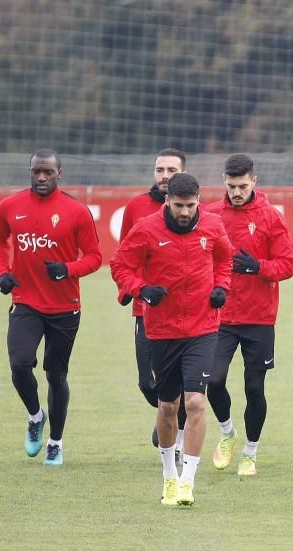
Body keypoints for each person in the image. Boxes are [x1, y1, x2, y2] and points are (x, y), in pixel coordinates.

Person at [111, 173, 233, 506]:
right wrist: (141, 289)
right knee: (167, 406)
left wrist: (221, 287)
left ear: (199, 201)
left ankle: (187, 483)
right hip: (162, 330)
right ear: (168, 201)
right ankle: (169, 476)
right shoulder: (147, 229)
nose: (184, 212)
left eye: (190, 205)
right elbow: (120, 265)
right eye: (178, 205)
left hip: (203, 328)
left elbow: (224, 258)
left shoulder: (212, 226)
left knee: (195, 402)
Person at [0, 149, 102, 465]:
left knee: (56, 374)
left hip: (65, 307)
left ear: (59, 173)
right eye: (36, 171)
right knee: (19, 365)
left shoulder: (76, 211)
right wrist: (2, 273)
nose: (41, 177)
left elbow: (94, 257)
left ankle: (55, 442)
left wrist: (67, 269)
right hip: (25, 302)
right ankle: (35, 416)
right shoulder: (10, 206)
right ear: (30, 171)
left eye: (48, 172)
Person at [204, 154, 293, 477]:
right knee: (212, 381)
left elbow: (288, 264)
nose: (236, 192)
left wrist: (257, 267)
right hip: (221, 317)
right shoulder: (211, 215)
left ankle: (250, 452)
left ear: (254, 181)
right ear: (224, 182)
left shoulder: (270, 217)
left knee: (254, 388)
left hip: (259, 319)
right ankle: (228, 433)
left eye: (242, 186)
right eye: (231, 186)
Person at [118, 148, 188, 456]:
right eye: (160, 170)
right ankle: (166, 411)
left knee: (188, 385)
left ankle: (177, 437)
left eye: (172, 170)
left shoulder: (195, 210)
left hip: (188, 312)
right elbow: (124, 255)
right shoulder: (136, 207)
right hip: (145, 309)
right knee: (148, 384)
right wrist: (129, 289)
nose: (165, 176)